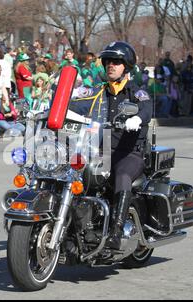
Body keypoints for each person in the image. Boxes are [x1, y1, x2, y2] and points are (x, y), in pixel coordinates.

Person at [70, 41, 152, 250]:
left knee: (122, 176)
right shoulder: (100, 92)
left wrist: (138, 119)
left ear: (126, 67)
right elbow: (80, 104)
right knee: (74, 174)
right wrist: (53, 108)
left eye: (117, 62)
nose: (111, 65)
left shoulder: (136, 92)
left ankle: (115, 232)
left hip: (128, 154)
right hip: (100, 152)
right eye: (109, 62)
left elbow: (146, 109)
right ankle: (74, 228)